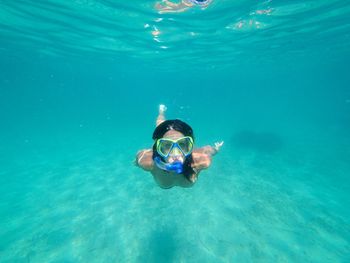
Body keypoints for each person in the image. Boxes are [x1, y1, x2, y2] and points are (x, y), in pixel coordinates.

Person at [135, 104, 223, 189]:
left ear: (190, 146)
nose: (176, 154)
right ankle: (161, 112)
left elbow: (208, 151)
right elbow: (139, 156)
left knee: (164, 130)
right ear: (158, 148)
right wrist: (136, 162)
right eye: (167, 145)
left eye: (182, 144)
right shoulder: (147, 162)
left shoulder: (202, 161)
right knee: (160, 125)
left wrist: (216, 149)